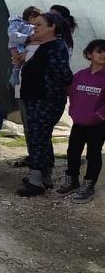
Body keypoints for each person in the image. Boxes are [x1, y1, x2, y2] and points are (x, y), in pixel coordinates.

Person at [17, 13, 73, 196]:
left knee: (38, 138)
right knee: (39, 136)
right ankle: (44, 175)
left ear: (52, 27)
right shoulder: (45, 46)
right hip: (36, 99)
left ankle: (36, 181)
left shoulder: (56, 47)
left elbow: (63, 74)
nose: (35, 28)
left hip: (45, 100)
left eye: (40, 25)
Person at [56, 39, 105, 203]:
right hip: (79, 122)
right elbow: (72, 94)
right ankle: (72, 180)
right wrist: (73, 111)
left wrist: (98, 116)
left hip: (98, 125)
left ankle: (88, 185)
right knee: (73, 151)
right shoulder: (80, 75)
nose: (103, 55)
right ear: (90, 54)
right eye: (99, 51)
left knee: (93, 154)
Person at [8, 6, 41, 87]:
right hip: (17, 46)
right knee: (20, 58)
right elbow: (12, 34)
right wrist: (27, 38)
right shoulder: (18, 23)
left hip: (26, 46)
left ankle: (17, 75)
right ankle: (15, 75)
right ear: (31, 17)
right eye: (37, 20)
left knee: (22, 59)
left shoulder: (32, 26)